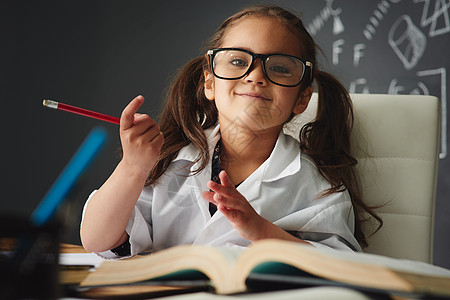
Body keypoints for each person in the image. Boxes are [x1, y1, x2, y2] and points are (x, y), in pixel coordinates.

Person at [80, 5, 382, 258]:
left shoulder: (318, 184)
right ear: (210, 83)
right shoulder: (169, 161)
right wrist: (132, 168)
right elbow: (97, 240)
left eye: (279, 68)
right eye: (238, 61)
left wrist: (261, 231)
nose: (256, 76)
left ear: (302, 97)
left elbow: (341, 265)